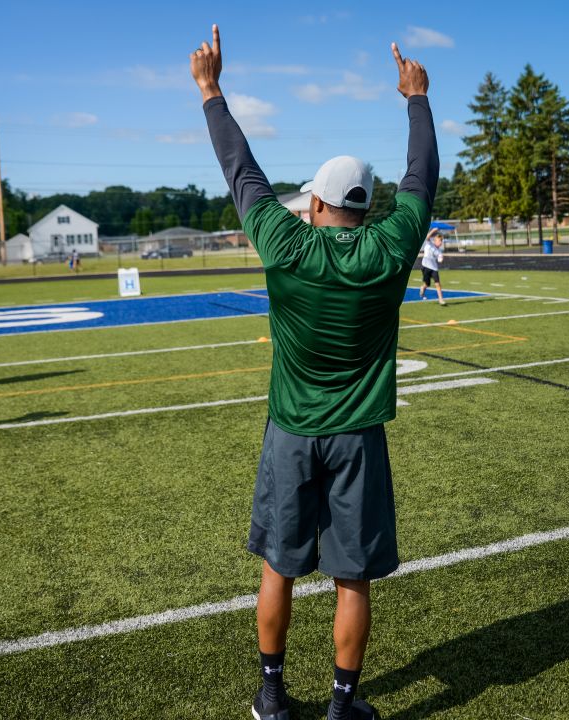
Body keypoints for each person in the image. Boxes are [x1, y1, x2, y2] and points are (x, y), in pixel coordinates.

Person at [193, 25, 437, 720]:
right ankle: (341, 707)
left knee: (278, 567)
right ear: (364, 207)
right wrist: (416, 100)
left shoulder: (286, 244)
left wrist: (212, 91)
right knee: (351, 579)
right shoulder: (391, 249)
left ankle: (271, 697)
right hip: (357, 437)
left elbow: (242, 172)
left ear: (320, 205)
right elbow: (421, 178)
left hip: (290, 431)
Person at [418, 230, 447, 305]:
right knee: (427, 284)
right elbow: (427, 237)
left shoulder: (439, 251)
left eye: (441, 241)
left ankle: (441, 299)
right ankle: (422, 288)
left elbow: (440, 259)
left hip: (434, 268)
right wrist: (434, 230)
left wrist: (441, 259)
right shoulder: (429, 244)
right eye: (439, 240)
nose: (440, 242)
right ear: (435, 240)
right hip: (425, 266)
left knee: (438, 284)